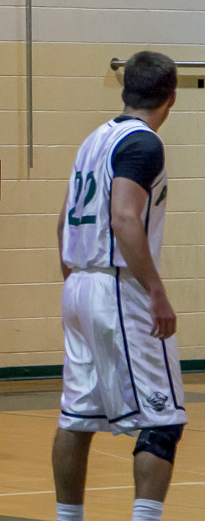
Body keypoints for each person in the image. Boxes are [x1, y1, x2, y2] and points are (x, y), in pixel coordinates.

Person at [53, 51, 187, 521]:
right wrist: (156, 292)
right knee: (163, 419)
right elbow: (125, 218)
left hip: (80, 284)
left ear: (125, 89)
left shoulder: (95, 139)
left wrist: (74, 276)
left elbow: (64, 215)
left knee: (77, 416)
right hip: (117, 287)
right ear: (171, 97)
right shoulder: (144, 143)